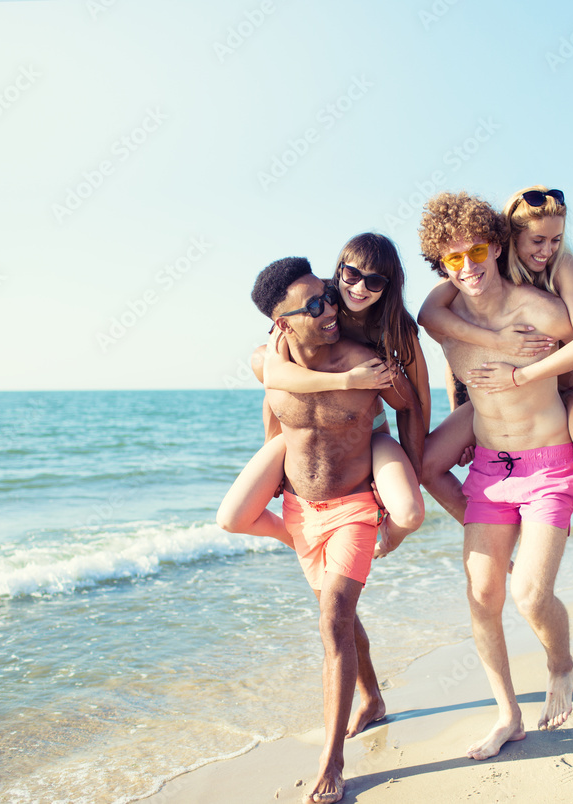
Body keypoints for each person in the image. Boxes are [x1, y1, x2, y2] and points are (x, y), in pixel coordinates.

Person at [237, 256, 424, 804]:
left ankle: (331, 761)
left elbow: (409, 406)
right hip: (301, 511)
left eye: (327, 295)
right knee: (337, 616)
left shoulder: (365, 357)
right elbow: (274, 401)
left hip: (355, 505)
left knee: (333, 619)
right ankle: (372, 698)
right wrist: (274, 476)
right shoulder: (268, 360)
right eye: (314, 304)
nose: (330, 307)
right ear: (282, 323)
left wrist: (397, 386)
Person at [417, 190, 573, 760]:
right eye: (454, 259)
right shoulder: (445, 321)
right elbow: (439, 342)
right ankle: (507, 714)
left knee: (531, 595)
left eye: (477, 251)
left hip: (548, 467)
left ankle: (561, 665)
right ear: (442, 265)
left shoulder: (539, 310)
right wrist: (462, 413)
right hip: (489, 469)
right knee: (484, 593)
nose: (469, 267)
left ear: (495, 244)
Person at [418, 185, 573, 562]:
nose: (546, 250)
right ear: (510, 239)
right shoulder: (475, 270)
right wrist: (493, 348)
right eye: (537, 240)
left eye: (555, 239)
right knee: (427, 465)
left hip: (566, 388)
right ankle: (494, 546)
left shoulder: (560, 267)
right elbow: (443, 334)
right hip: (501, 394)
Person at [218, 233, 428, 558]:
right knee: (230, 517)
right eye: (353, 275)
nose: (359, 288)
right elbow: (275, 383)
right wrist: (348, 381)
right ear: (340, 270)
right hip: (338, 397)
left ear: (388, 285)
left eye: (374, 282)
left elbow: (416, 402)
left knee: (407, 508)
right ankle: (296, 537)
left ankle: (386, 533)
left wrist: (414, 473)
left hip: (369, 417)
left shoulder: (395, 325)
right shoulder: (316, 300)